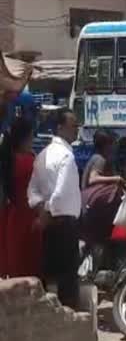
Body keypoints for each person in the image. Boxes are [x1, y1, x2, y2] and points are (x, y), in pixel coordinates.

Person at [28, 108, 81, 308]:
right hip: (65, 223)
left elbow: (32, 191)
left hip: (51, 224)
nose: (77, 129)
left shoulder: (41, 155)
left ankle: (51, 316)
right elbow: (60, 193)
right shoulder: (66, 156)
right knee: (68, 279)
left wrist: (41, 209)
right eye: (73, 125)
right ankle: (68, 322)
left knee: (51, 275)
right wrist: (48, 211)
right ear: (60, 128)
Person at [0, 119, 42, 278]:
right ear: (28, 137)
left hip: (11, 217)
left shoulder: (8, 161)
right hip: (28, 218)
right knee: (29, 269)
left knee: (15, 268)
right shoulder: (30, 162)